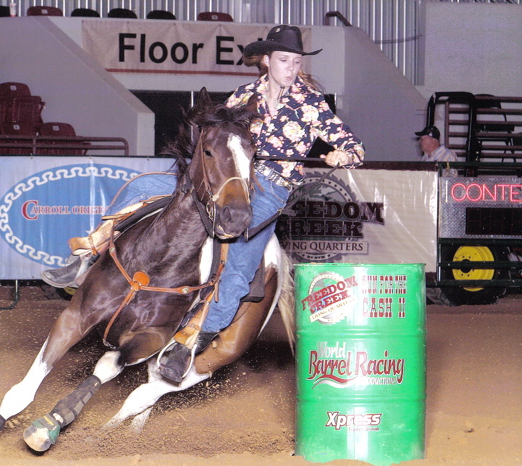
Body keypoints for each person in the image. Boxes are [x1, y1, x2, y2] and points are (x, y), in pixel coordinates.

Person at [43, 25, 365, 383]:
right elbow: (214, 132)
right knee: (143, 185)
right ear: (267, 61)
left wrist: (343, 154)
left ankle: (191, 341)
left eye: (296, 61)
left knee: (238, 269)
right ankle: (88, 254)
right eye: (284, 60)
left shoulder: (310, 104)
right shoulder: (244, 97)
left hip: (270, 190)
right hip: (226, 180)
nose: (291, 68)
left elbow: (353, 145)